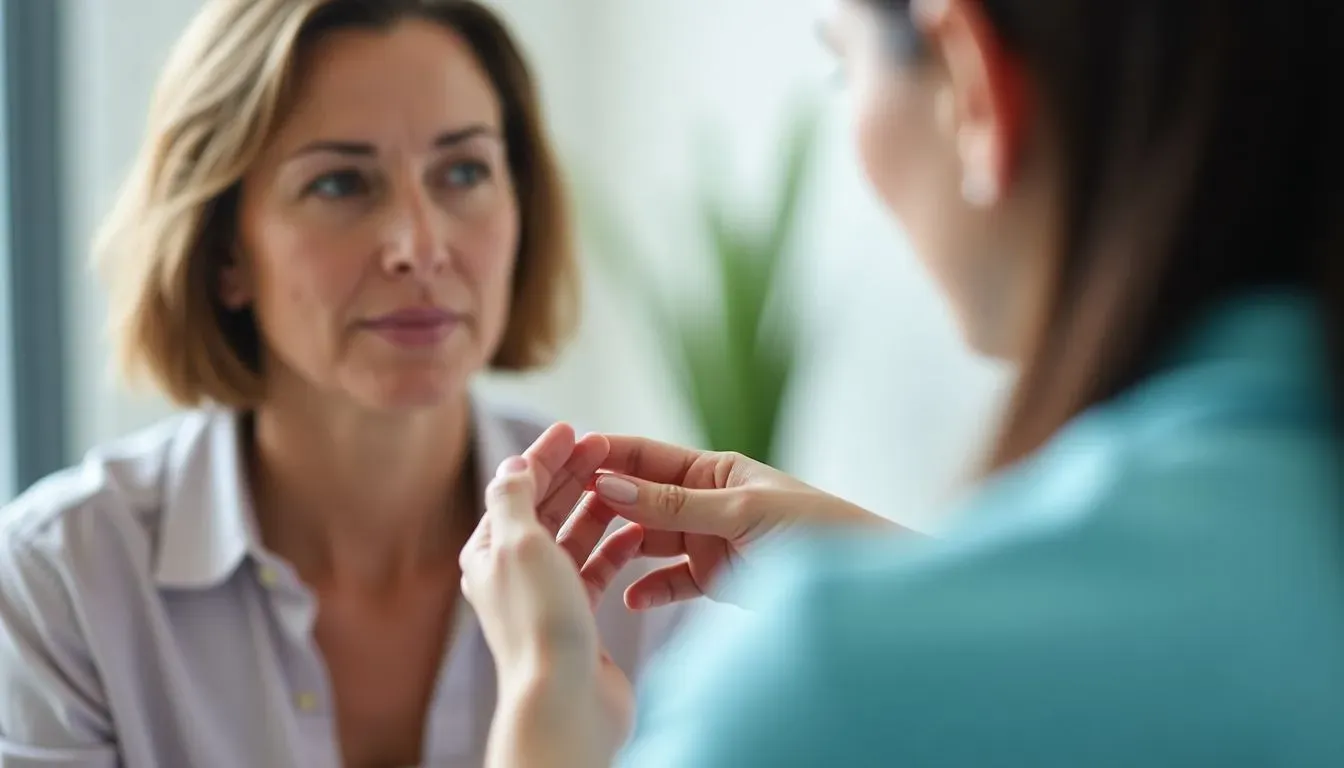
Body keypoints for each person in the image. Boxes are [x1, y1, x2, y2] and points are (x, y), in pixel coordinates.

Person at [460, 0, 1344, 765]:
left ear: (969, 77)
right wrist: (905, 570)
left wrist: (542, 699)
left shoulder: (824, 688)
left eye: (844, 66)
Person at [0, 1, 684, 766]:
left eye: (464, 172)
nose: (420, 247)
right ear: (224, 249)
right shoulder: (62, 585)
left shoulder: (649, 567)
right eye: (340, 184)